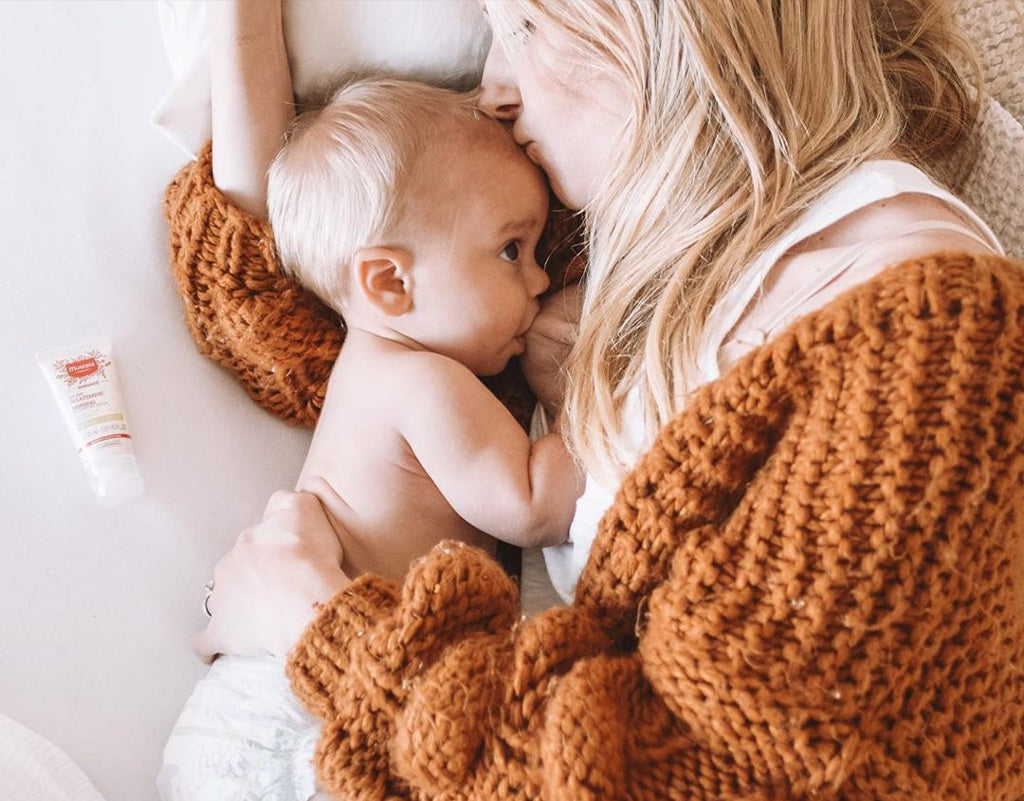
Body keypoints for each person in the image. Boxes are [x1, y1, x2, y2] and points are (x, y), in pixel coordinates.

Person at [166, 0, 1024, 799]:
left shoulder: (930, 348)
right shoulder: (644, 234)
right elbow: (292, 316)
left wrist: (317, 620)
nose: (493, 89)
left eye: (526, 28)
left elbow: (687, 774)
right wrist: (242, 26)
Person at [160, 68, 584, 798]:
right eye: (512, 250)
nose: (540, 283)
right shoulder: (424, 382)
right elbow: (536, 507)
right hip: (309, 713)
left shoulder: (371, 373)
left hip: (264, 697)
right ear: (391, 282)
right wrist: (580, 390)